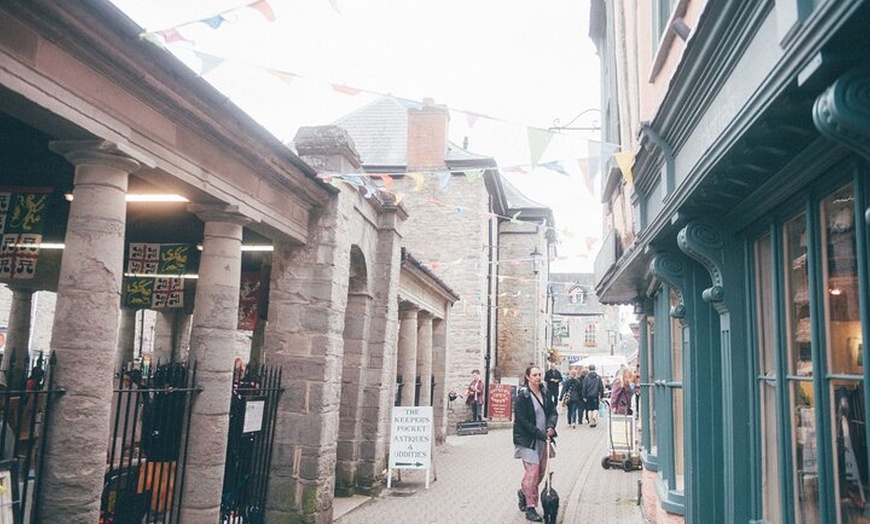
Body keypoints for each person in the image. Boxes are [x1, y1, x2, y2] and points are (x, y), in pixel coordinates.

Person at [513, 365, 557, 522]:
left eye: (540, 374)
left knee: (541, 472)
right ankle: (531, 508)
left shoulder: (545, 392)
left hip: (543, 440)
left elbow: (553, 412)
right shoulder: (522, 397)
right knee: (532, 473)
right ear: (528, 377)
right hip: (528, 440)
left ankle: (523, 492)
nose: (538, 377)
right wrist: (540, 433)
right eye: (535, 375)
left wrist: (551, 426)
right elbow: (523, 421)